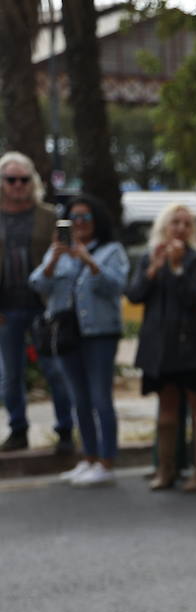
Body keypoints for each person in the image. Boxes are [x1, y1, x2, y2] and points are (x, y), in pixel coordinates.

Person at [28, 195, 129, 487]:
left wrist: (87, 260)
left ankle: (107, 460)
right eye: (73, 218)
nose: (80, 223)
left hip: (99, 334)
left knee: (100, 399)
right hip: (67, 334)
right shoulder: (57, 250)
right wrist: (56, 258)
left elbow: (116, 286)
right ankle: (88, 458)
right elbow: (37, 284)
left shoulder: (111, 251)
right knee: (78, 400)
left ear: (97, 220)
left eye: (86, 217)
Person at [128, 203, 196, 492]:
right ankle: (166, 470)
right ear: (163, 226)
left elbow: (193, 298)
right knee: (167, 406)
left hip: (190, 343)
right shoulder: (150, 256)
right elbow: (135, 294)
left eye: (186, 223)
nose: (180, 228)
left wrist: (177, 268)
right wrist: (154, 268)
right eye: (174, 222)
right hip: (159, 344)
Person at [0, 150, 73, 453]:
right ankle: (18, 430)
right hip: (6, 307)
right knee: (10, 375)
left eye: (23, 179)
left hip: (44, 304)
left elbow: (66, 254)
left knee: (55, 370)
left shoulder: (50, 215)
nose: (18, 185)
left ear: (33, 181)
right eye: (11, 179)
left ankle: (66, 431)